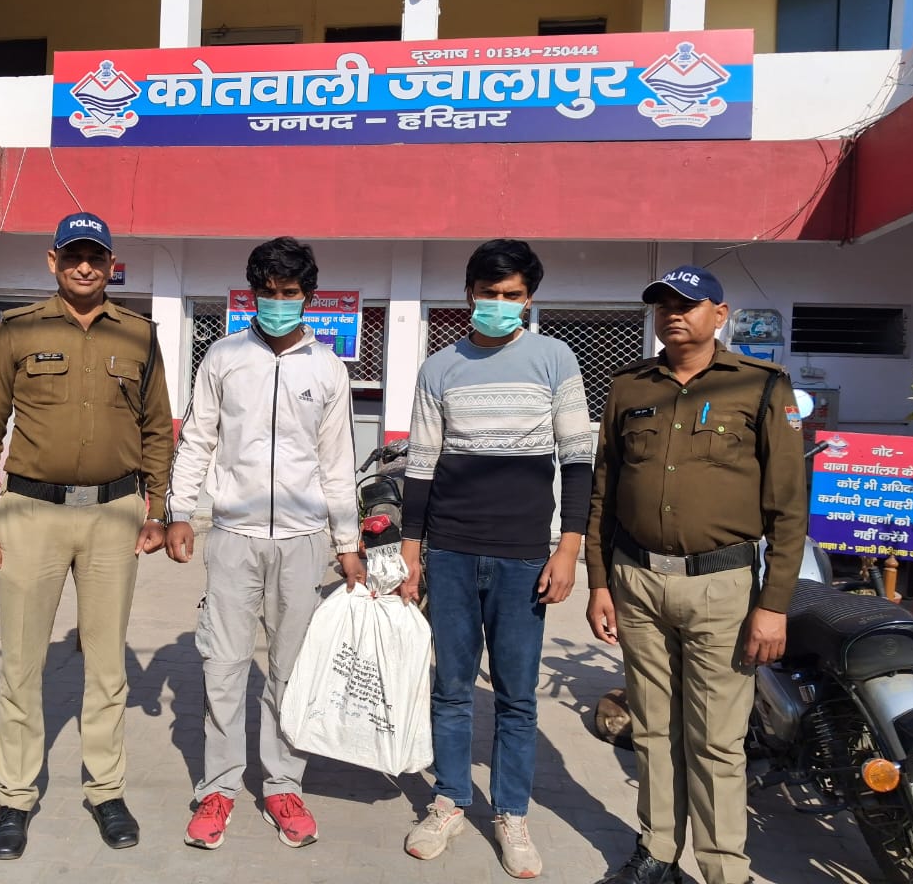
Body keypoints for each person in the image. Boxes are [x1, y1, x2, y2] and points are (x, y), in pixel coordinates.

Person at [0, 211, 174, 860]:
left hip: (114, 515)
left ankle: (106, 790)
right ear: (53, 261)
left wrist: (158, 508)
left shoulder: (139, 334)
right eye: (74, 255)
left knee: (107, 667)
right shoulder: (18, 330)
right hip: (31, 514)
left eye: (97, 256)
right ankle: (15, 796)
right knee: (22, 666)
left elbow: (157, 427)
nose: (86, 266)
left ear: (112, 264)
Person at [585, 265, 807, 884]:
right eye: (663, 305)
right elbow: (604, 492)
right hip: (637, 582)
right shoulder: (629, 386)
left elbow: (789, 507)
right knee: (652, 729)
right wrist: (599, 582)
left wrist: (774, 604)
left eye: (687, 304)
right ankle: (657, 852)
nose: (673, 314)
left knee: (715, 739)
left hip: (722, 587)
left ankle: (723, 869)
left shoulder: (761, 385)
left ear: (720, 313)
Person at [399, 239, 594, 879]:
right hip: (451, 550)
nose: (500, 304)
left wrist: (568, 549)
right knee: (451, 688)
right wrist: (411, 550)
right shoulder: (439, 368)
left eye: (512, 295)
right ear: (469, 295)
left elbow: (577, 460)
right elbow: (422, 462)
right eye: (489, 293)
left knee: (516, 695)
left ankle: (511, 813)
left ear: (529, 299)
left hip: (524, 556)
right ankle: (449, 800)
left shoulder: (555, 359)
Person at [165, 236, 364, 851]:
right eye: (267, 293)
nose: (278, 303)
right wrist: (179, 512)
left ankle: (283, 784)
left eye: (289, 293)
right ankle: (219, 787)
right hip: (233, 537)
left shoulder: (327, 368)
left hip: (304, 543)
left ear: (309, 296)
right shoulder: (223, 357)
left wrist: (347, 541)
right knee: (223, 666)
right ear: (252, 294)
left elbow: (337, 461)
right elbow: (197, 439)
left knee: (290, 669)